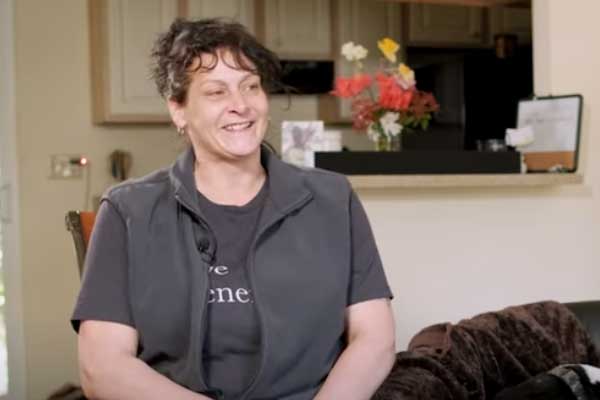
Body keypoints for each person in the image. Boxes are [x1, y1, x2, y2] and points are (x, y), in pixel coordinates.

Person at [72, 18, 395, 400]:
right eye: (216, 92)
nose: (240, 105)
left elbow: (374, 339)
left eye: (251, 87)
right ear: (178, 109)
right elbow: (102, 367)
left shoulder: (333, 198)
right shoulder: (128, 210)